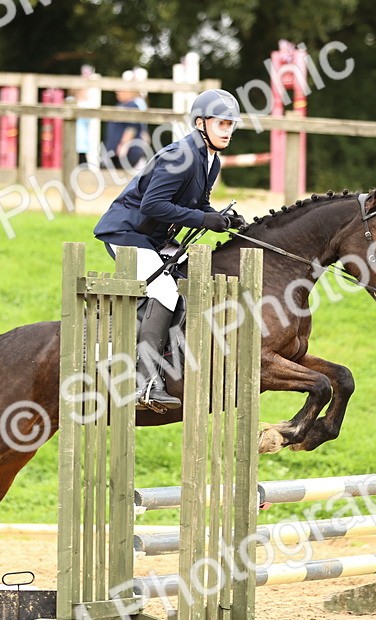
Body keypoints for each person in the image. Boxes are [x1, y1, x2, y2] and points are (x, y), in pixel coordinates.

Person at [93, 88, 247, 412]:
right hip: (127, 235)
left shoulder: (210, 160)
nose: (228, 131)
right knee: (164, 289)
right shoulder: (181, 156)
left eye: (231, 125)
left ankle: (169, 354)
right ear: (201, 123)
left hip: (156, 239)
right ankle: (144, 382)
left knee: (192, 277)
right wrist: (204, 217)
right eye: (222, 124)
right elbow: (153, 204)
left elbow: (197, 203)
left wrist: (222, 217)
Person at [102, 72, 151, 169]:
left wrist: (123, 146)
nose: (117, 91)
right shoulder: (122, 105)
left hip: (126, 152)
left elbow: (131, 128)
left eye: (122, 89)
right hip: (117, 152)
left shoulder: (132, 105)